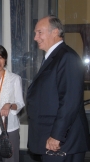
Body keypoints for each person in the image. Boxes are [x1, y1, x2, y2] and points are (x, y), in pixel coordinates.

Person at [26, 15, 90, 162]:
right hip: (52, 139)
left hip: (61, 143)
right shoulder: (54, 57)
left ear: (55, 32)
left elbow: (70, 101)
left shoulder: (67, 57)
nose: (35, 38)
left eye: (39, 32)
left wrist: (56, 136)